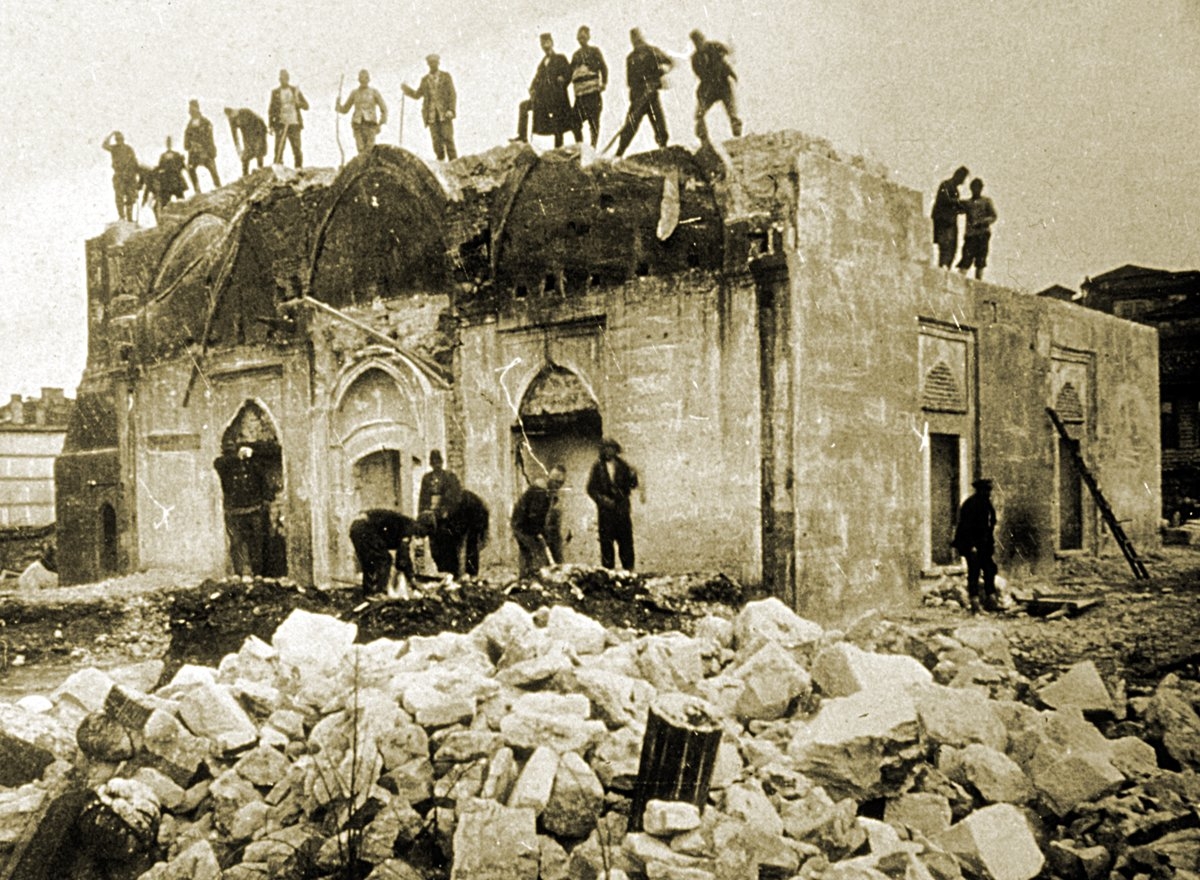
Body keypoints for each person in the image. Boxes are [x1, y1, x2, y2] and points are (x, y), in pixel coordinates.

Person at [213, 442, 276, 577]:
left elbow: (265, 482)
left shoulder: (255, 465)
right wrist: (237, 456)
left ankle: (258, 573)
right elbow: (217, 463)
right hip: (234, 511)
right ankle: (239, 573)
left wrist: (254, 455)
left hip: (254, 510)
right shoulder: (228, 466)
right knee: (236, 543)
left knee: (257, 543)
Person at [614, 28, 674, 157]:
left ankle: (663, 149)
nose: (636, 41)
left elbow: (669, 62)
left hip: (652, 96)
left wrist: (660, 73)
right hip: (637, 98)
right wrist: (638, 94)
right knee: (629, 127)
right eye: (634, 39)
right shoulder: (631, 58)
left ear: (641, 37)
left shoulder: (652, 51)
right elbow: (630, 81)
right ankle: (619, 153)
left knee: (660, 125)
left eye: (638, 38)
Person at [586, 438, 640, 570]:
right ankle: (608, 573)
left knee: (626, 542)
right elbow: (590, 489)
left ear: (616, 450)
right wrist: (603, 500)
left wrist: (633, 476)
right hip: (606, 513)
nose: (609, 451)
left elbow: (632, 485)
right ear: (602, 451)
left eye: (611, 448)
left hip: (622, 510)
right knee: (606, 544)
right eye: (606, 448)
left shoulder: (623, 466)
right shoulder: (598, 467)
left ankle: (629, 571)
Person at [349, 508, 426, 597]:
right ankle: (379, 593)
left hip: (357, 527)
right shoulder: (408, 527)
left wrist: (410, 576)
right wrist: (411, 578)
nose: (421, 536)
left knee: (370, 562)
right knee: (384, 559)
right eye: (424, 531)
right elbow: (402, 556)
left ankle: (369, 593)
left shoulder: (405, 525)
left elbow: (403, 557)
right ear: (421, 525)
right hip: (364, 527)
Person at [517, 33, 575, 147]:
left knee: (558, 121)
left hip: (557, 97)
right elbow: (536, 79)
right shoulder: (542, 64)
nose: (544, 45)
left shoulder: (560, 58)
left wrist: (563, 78)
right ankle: (522, 137)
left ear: (552, 43)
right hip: (543, 99)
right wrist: (532, 89)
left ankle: (558, 147)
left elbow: (569, 72)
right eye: (542, 43)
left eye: (547, 42)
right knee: (524, 106)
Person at [952, 478, 1000, 613]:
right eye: (986, 490)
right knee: (974, 572)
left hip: (984, 545)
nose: (989, 493)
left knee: (989, 569)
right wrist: (971, 546)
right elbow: (965, 527)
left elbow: (990, 525)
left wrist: (989, 544)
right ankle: (975, 603)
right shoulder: (971, 504)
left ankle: (991, 600)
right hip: (972, 545)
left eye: (989, 490)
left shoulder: (987, 504)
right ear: (980, 490)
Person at [511, 466, 565, 579]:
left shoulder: (546, 492)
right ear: (551, 479)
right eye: (557, 482)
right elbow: (534, 515)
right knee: (535, 552)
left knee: (528, 552)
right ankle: (530, 578)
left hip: (522, 524)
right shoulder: (540, 492)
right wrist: (540, 535)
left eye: (561, 484)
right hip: (523, 526)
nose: (558, 486)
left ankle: (525, 578)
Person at [689, 29, 742, 143]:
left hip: (723, 84)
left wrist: (729, 70)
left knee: (732, 111)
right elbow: (699, 73)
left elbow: (727, 52)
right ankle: (703, 137)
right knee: (700, 114)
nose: (699, 43)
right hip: (708, 88)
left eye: (700, 40)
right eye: (696, 42)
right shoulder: (695, 58)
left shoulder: (714, 46)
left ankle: (737, 134)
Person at [402, 54, 458, 160]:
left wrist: (451, 109)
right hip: (431, 115)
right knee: (436, 141)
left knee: (448, 138)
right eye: (430, 63)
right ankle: (440, 163)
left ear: (438, 63)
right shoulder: (425, 80)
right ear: (428, 64)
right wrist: (406, 90)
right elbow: (417, 95)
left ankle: (454, 163)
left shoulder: (446, 77)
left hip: (445, 114)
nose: (433, 65)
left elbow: (452, 94)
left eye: (435, 63)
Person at [418, 449, 465, 574]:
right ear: (430, 463)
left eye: (438, 461)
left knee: (449, 549)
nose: (436, 464)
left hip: (447, 521)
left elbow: (455, 497)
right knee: (435, 549)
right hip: (432, 521)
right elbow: (423, 499)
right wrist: (423, 516)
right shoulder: (427, 479)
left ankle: (452, 574)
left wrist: (446, 511)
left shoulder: (449, 477)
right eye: (433, 461)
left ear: (442, 462)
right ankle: (440, 572)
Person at [570, 26, 608, 148]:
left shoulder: (594, 51)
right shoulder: (575, 55)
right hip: (580, 95)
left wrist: (604, 83)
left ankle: (593, 147)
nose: (582, 39)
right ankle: (580, 146)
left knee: (594, 122)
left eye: (584, 36)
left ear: (588, 37)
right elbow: (569, 72)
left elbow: (603, 67)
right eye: (580, 37)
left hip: (592, 93)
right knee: (574, 121)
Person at [337, 69, 388, 154]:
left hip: (371, 125)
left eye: (366, 78)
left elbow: (384, 109)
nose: (364, 80)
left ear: (369, 79)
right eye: (361, 78)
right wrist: (338, 105)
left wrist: (380, 123)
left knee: (370, 150)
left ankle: (370, 167)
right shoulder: (354, 93)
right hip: (358, 125)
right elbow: (345, 109)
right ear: (359, 80)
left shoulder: (374, 92)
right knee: (360, 150)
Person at [957, 178, 997, 280]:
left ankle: (979, 280)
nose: (976, 190)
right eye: (974, 187)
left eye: (978, 187)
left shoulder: (986, 201)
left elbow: (993, 216)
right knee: (966, 257)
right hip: (971, 235)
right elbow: (958, 208)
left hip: (983, 233)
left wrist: (982, 222)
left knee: (981, 259)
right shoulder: (968, 203)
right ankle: (960, 278)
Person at [268, 69, 309, 167]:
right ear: (279, 79)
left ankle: (298, 169)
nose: (283, 80)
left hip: (294, 123)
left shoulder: (295, 91)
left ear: (288, 79)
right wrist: (271, 125)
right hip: (281, 124)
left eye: (285, 78)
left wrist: (298, 102)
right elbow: (271, 110)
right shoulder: (275, 92)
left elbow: (306, 106)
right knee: (278, 149)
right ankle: (278, 168)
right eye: (281, 79)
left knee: (296, 149)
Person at [931, 165, 969, 269]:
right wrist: (960, 203)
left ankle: (945, 267)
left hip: (950, 222)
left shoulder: (955, 189)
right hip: (944, 222)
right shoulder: (946, 185)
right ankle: (943, 266)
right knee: (945, 246)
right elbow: (945, 200)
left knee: (952, 247)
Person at [142, 137, 188, 220]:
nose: (169, 144)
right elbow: (160, 166)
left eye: (169, 142)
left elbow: (182, 165)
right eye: (167, 143)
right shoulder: (163, 156)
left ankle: (185, 214)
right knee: (165, 202)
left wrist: (179, 164)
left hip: (176, 178)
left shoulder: (176, 154)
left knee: (181, 198)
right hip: (167, 181)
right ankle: (164, 219)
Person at [101, 131, 140, 222]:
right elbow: (104, 145)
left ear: (123, 139)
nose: (119, 141)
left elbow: (134, 162)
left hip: (129, 176)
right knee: (119, 197)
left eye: (120, 139)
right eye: (118, 139)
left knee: (130, 197)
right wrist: (110, 134)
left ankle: (129, 218)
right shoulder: (114, 148)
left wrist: (136, 177)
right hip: (119, 175)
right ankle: (122, 217)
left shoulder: (128, 149)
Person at [184, 100, 221, 192]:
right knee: (191, 168)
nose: (191, 111)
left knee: (212, 168)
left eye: (193, 108)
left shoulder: (205, 122)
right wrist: (188, 145)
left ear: (197, 109)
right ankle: (197, 190)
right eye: (190, 109)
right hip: (194, 153)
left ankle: (218, 187)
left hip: (205, 151)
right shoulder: (189, 125)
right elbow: (186, 138)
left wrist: (209, 150)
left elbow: (209, 137)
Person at [224, 107, 268, 177]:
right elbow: (234, 134)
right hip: (247, 136)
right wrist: (238, 148)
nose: (233, 117)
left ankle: (260, 169)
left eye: (233, 114)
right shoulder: (232, 119)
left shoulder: (246, 112)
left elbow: (259, 121)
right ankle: (245, 174)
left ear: (234, 111)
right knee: (246, 156)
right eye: (230, 116)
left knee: (259, 152)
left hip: (259, 131)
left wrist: (260, 136)